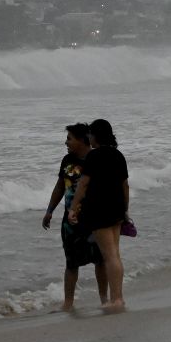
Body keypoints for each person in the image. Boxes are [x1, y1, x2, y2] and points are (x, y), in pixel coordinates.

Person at [42, 123, 108, 311]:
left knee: (100, 260)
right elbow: (60, 186)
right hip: (70, 221)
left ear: (81, 140)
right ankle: (68, 303)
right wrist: (49, 210)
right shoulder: (67, 160)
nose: (66, 142)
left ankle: (104, 300)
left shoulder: (96, 159)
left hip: (94, 219)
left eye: (69, 138)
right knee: (71, 262)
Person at [68, 119, 129, 312]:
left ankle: (117, 299)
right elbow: (125, 185)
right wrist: (125, 209)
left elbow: (83, 184)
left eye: (90, 135)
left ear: (96, 136)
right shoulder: (118, 155)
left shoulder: (94, 156)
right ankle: (117, 297)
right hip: (117, 208)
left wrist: (73, 207)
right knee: (115, 255)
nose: (89, 138)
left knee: (109, 255)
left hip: (99, 210)